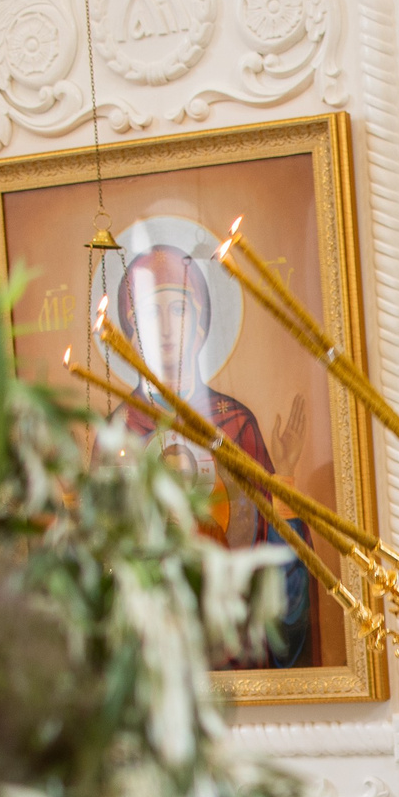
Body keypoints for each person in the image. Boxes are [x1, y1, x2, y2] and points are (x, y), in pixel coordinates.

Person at [114, 244, 314, 667]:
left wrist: (286, 478)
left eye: (180, 311)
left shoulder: (236, 426)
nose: (167, 330)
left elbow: (279, 577)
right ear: (131, 333)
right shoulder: (118, 433)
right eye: (152, 314)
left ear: (201, 329)